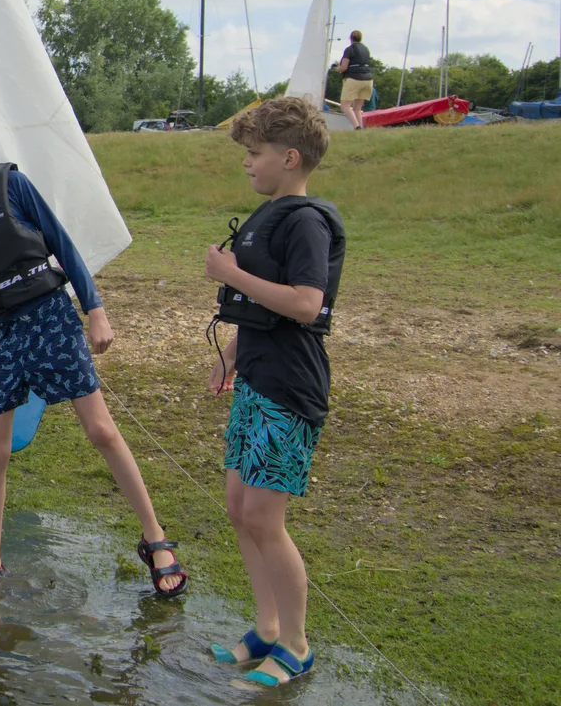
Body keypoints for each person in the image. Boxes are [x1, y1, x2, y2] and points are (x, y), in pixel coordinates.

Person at [0, 112, 187, 596]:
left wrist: (95, 309)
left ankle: (156, 539)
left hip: (48, 315)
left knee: (100, 430)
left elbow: (62, 245)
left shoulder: (12, 184)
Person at [203, 96, 345, 688]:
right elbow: (260, 307)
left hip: (289, 386)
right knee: (240, 510)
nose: (247, 164)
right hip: (256, 378)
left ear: (289, 157)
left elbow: (307, 304)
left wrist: (229, 273)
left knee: (265, 516)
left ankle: (296, 644)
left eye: (255, 154)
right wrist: (229, 355)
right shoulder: (269, 214)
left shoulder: (306, 220)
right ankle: (265, 626)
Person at [331, 30, 373, 129]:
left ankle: (356, 127)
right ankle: (361, 127)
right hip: (368, 79)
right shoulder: (366, 49)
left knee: (345, 106)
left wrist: (336, 68)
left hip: (354, 79)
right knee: (357, 108)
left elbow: (344, 67)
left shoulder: (349, 49)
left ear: (351, 39)